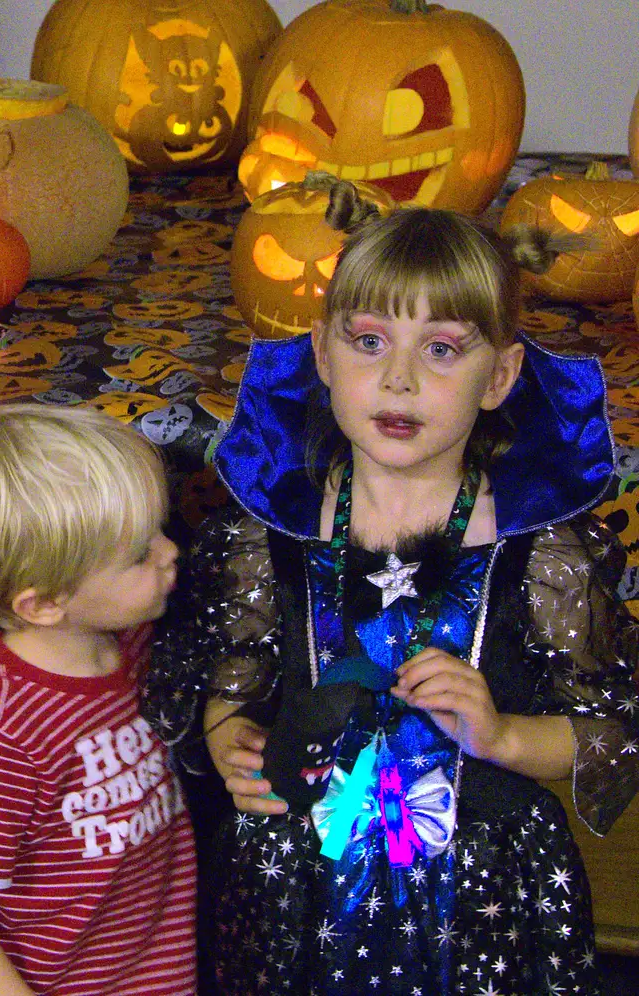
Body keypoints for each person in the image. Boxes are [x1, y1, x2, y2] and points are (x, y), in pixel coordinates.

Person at [143, 207, 639, 996]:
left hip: (480, 905)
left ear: (500, 376)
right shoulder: (274, 525)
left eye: (441, 350)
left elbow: (610, 732)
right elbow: (234, 678)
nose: (399, 379)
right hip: (302, 888)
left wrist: (503, 734)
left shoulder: (541, 551)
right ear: (323, 355)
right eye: (369, 342)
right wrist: (230, 740)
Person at [0, 403, 196, 996]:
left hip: (148, 969)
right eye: (141, 552)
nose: (170, 552)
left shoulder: (129, 641)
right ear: (42, 605)